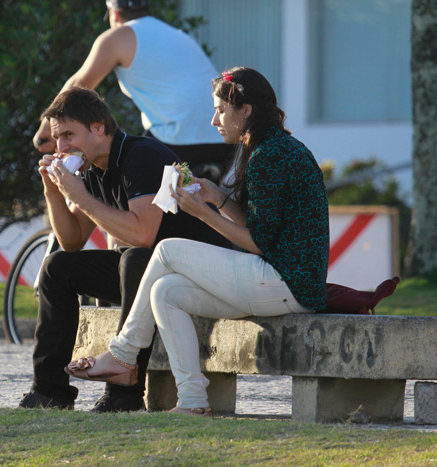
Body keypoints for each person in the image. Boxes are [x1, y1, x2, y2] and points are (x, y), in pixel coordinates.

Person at [65, 67, 330, 416]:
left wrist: (204, 214)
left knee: (167, 249)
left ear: (245, 110)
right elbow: (263, 229)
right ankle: (191, 401)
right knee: (166, 292)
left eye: (220, 110)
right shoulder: (271, 147)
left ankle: (123, 354)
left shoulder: (270, 155)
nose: (213, 120)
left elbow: (260, 244)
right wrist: (217, 197)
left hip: (287, 282)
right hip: (283, 281)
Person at [18, 87, 230, 411]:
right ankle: (49, 391)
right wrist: (54, 192)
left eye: (68, 134)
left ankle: (124, 396)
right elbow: (72, 240)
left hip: (202, 273)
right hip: (151, 274)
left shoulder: (140, 155)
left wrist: (81, 195)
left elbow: (143, 235)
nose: (61, 147)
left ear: (99, 128)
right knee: (56, 266)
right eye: (57, 138)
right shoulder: (93, 169)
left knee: (134, 258)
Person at [33, 0, 232, 182]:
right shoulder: (176, 34)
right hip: (223, 137)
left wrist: (47, 127)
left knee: (126, 183)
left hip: (177, 138)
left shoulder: (118, 36)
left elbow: (79, 84)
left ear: (115, 14)